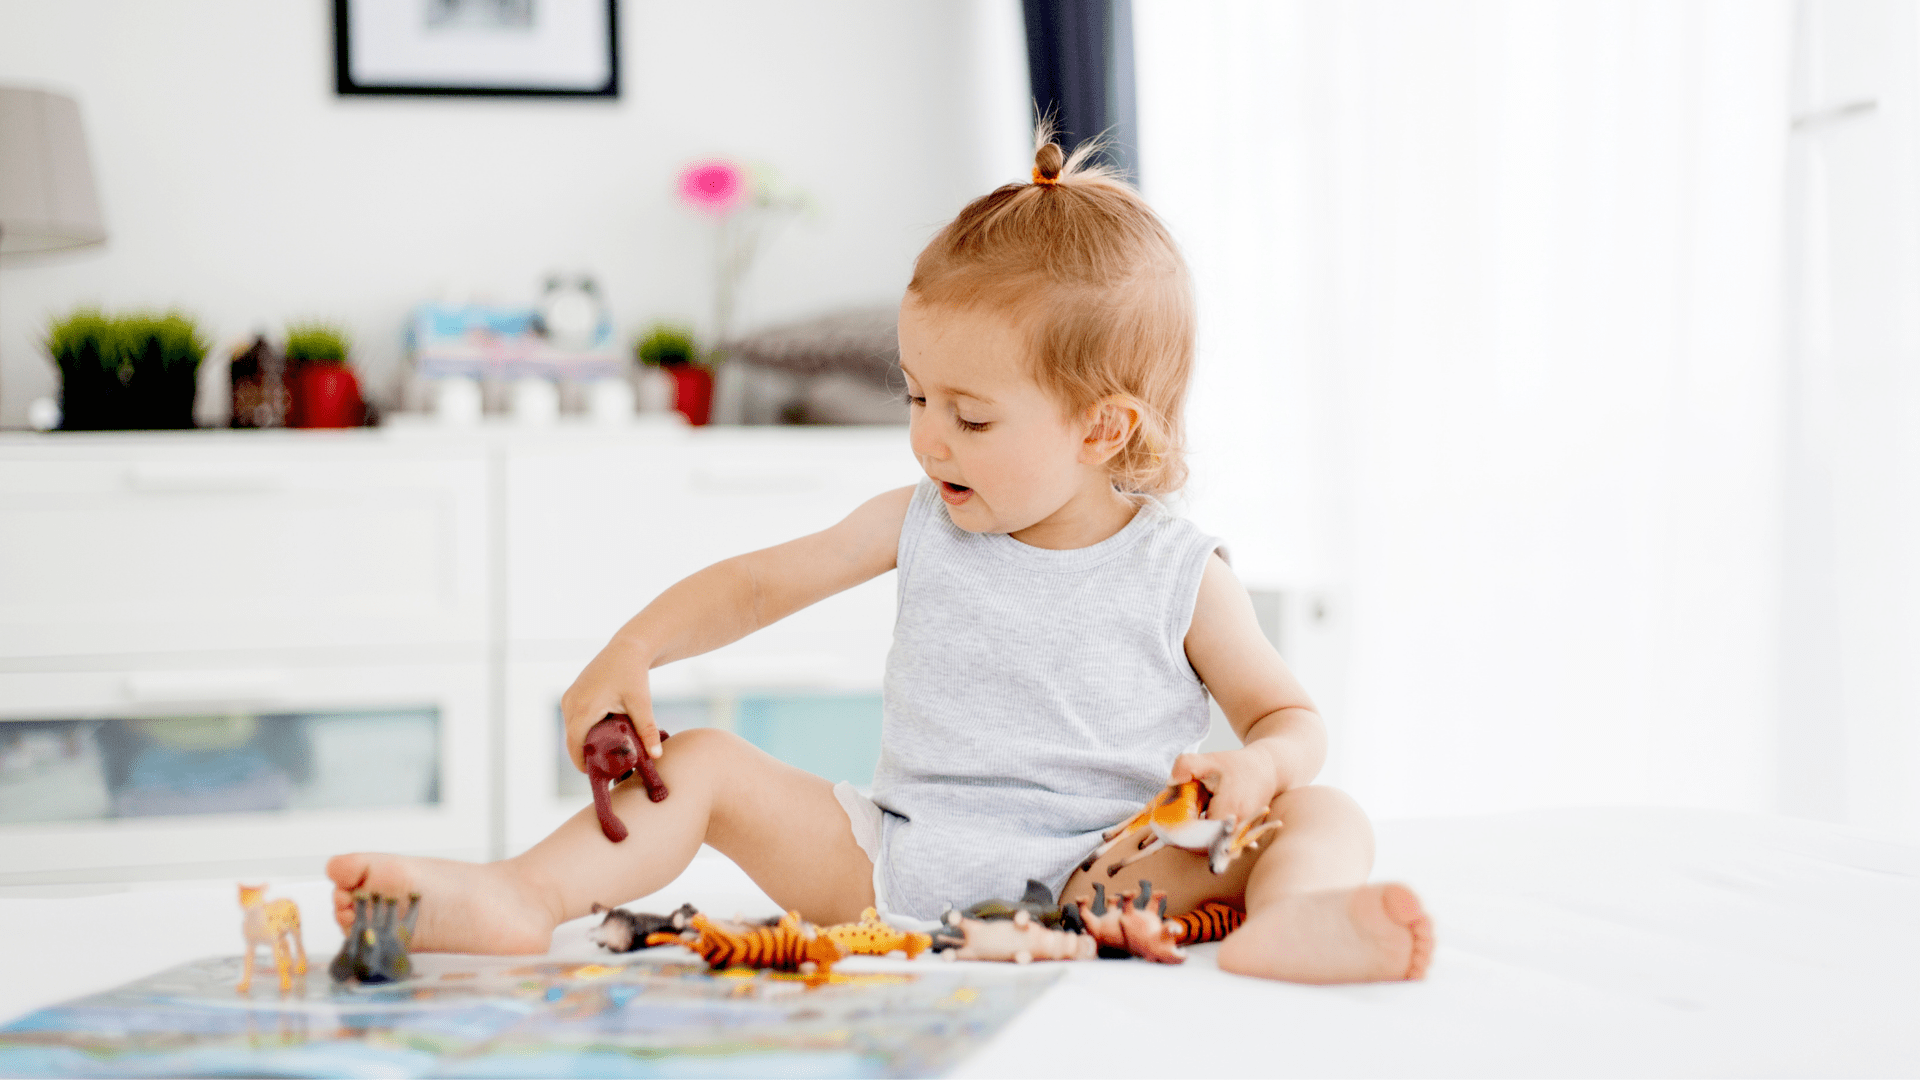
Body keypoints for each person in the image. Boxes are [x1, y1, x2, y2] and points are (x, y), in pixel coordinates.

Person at [327, 134, 1434, 984]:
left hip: (1109, 876)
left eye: (971, 416)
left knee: (1324, 813)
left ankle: (1288, 927)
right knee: (704, 762)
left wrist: (1261, 769)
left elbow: (1294, 722)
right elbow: (761, 582)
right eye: (915, 397)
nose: (929, 438)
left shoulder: (1183, 572)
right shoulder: (923, 518)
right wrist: (633, 648)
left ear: (1102, 431)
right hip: (897, 866)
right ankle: (523, 895)